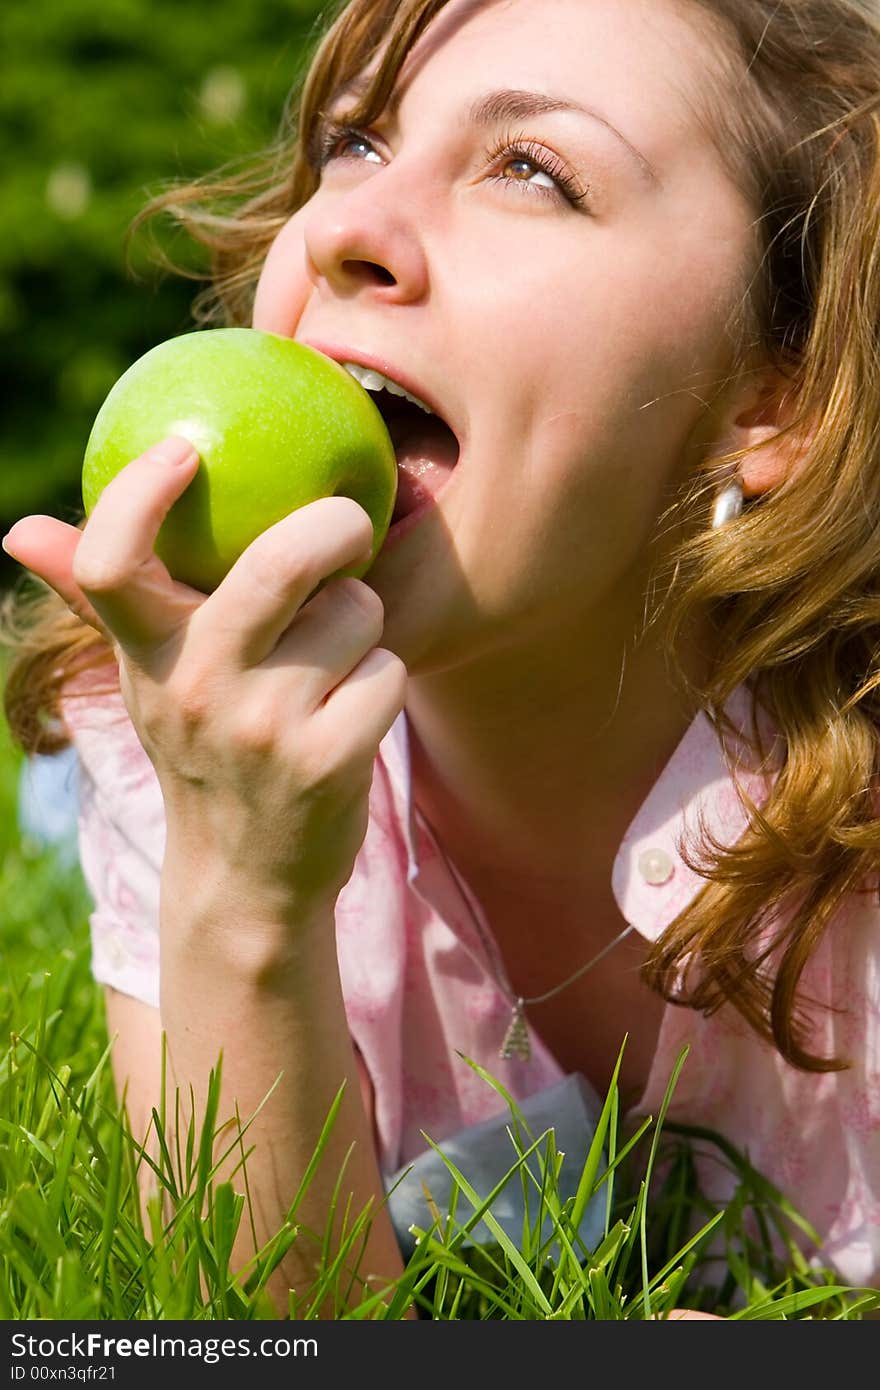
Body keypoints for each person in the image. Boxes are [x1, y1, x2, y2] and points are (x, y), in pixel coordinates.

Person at [2, 0, 880, 1318]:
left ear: (777, 396)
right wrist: (238, 882)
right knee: (71, 773)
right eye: (355, 146)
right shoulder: (178, 730)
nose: (346, 226)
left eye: (534, 170)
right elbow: (255, 1325)